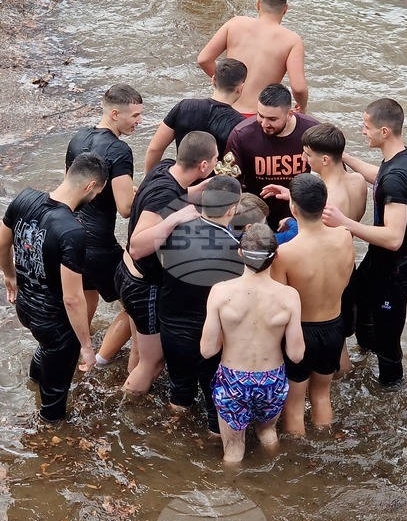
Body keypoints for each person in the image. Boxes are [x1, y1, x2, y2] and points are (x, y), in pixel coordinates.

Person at [0, 153, 109, 422]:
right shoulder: (72, 231)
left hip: (25, 307)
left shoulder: (24, 198)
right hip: (54, 321)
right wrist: (87, 346)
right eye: (98, 192)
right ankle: (49, 432)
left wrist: (10, 276)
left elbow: (1, 244)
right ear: (90, 186)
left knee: (46, 348)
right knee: (55, 399)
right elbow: (72, 299)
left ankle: (35, 380)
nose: (95, 199)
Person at [322, 99, 407, 386]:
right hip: (379, 262)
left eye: (366, 127)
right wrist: (349, 159)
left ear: (384, 132)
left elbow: (393, 238)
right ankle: (363, 353)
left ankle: (389, 392)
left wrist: (346, 222)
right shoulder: (405, 158)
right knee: (352, 298)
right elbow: (380, 178)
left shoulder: (397, 178)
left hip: (395, 269)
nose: (362, 131)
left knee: (388, 345)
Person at [116, 131, 219, 394]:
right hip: (143, 284)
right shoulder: (165, 195)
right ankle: (128, 406)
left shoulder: (166, 169)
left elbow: (179, 193)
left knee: (141, 349)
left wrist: (204, 189)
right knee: (153, 362)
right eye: (216, 159)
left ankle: (133, 383)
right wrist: (175, 219)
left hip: (127, 273)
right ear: (204, 165)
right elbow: (138, 246)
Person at [201, 224, 305, 463]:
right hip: (271, 378)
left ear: (240, 253)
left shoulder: (220, 292)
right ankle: (280, 479)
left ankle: (228, 494)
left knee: (234, 451)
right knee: (268, 434)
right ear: (276, 255)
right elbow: (296, 354)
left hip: (234, 380)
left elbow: (207, 351)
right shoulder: (289, 296)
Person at [64, 85, 142, 371]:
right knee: (136, 303)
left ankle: (71, 353)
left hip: (70, 234)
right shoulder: (120, 150)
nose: (138, 121)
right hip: (98, 244)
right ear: (114, 113)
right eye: (134, 115)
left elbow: (69, 188)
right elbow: (124, 209)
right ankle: (95, 362)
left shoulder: (78, 137)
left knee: (87, 294)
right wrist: (148, 193)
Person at [159, 176, 244, 435]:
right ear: (232, 210)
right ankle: (210, 450)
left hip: (170, 328)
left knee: (180, 392)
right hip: (207, 337)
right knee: (215, 402)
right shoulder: (235, 248)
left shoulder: (173, 231)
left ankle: (171, 436)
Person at [270, 175, 354, 435]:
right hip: (334, 327)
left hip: (301, 332)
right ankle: (325, 442)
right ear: (325, 203)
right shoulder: (344, 236)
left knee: (294, 402)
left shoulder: (285, 253)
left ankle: (298, 460)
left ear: (293, 208)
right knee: (321, 394)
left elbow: (278, 299)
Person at [198, 0, 309, 115]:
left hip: (222, 109)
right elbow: (298, 88)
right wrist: (302, 108)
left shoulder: (235, 23)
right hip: (255, 117)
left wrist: (225, 82)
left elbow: (204, 59)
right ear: (285, 9)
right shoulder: (292, 40)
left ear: (258, 4)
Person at [225, 83, 319, 230]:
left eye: (272, 119)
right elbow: (228, 185)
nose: (264, 123)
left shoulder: (311, 132)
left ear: (289, 114)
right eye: (260, 116)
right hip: (255, 221)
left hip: (299, 220)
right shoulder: (242, 135)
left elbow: (331, 176)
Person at [143, 58, 247, 173]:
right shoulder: (241, 125)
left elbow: (155, 149)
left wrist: (149, 181)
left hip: (181, 184)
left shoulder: (184, 107)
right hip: (217, 188)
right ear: (240, 88)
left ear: (213, 80)